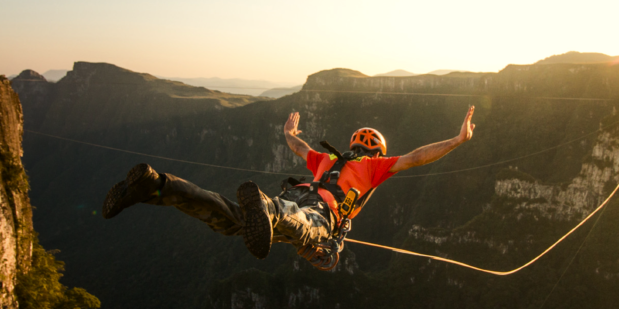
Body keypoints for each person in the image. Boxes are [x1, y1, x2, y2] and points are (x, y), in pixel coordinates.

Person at [101, 105, 476, 266]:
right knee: (305, 231)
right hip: (315, 212)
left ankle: (156, 187)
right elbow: (417, 156)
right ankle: (265, 208)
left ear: (353, 143)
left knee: (231, 221)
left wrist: (288, 134)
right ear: (376, 149)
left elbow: (301, 148)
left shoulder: (329, 160)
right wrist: (457, 141)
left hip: (294, 196)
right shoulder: (375, 167)